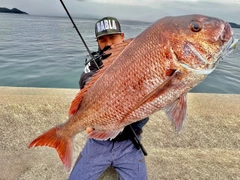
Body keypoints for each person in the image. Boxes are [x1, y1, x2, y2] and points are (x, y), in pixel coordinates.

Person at [69, 17, 149, 180]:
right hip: (98, 143)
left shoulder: (138, 59)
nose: (108, 43)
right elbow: (86, 80)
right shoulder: (93, 64)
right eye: (103, 39)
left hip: (130, 142)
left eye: (113, 37)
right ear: (98, 42)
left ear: (122, 36)